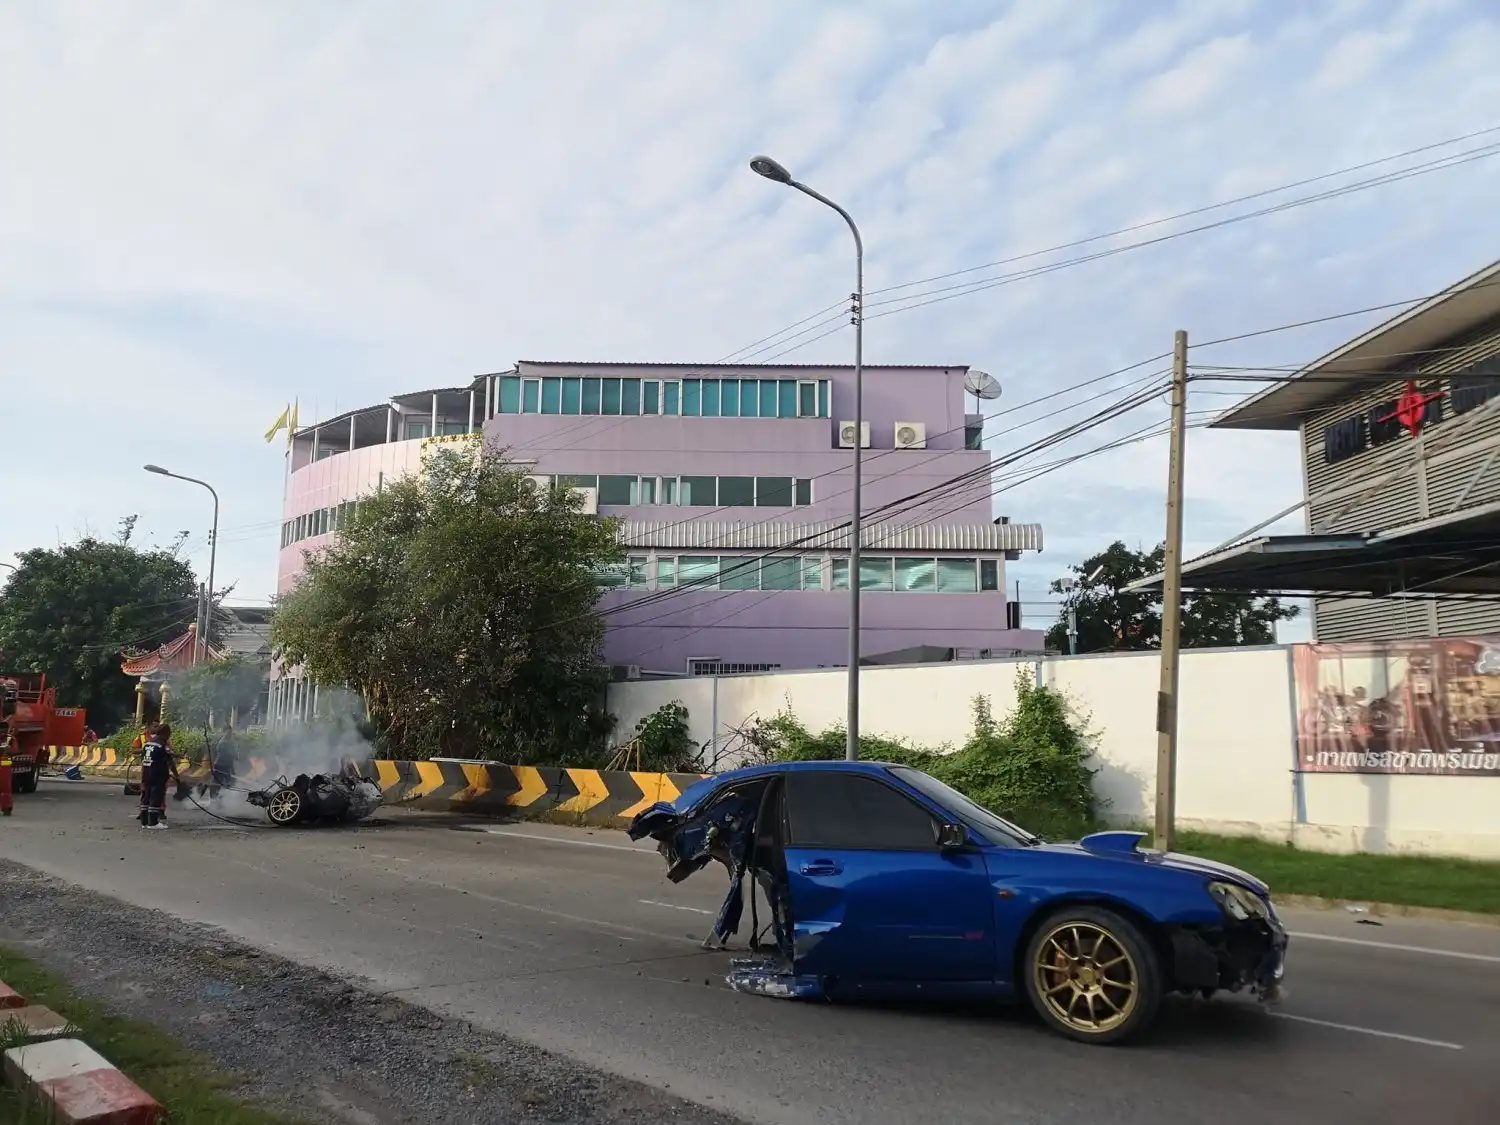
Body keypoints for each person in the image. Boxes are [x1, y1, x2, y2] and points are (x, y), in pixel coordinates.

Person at [138, 724, 180, 830]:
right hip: (157, 774)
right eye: (169, 733)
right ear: (165, 733)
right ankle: (153, 823)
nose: (169, 736)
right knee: (156, 796)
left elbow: (144, 758)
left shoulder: (148, 743)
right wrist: (176, 776)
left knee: (146, 796)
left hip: (146, 773)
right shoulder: (162, 744)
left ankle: (144, 821)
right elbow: (170, 762)